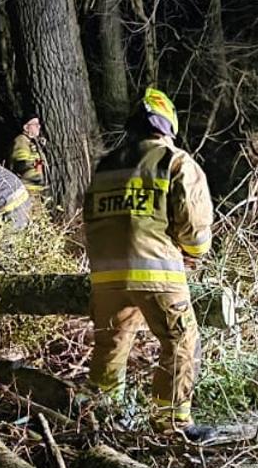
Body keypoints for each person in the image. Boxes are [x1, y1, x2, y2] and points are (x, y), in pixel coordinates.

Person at [84, 87, 214, 440]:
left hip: (106, 277)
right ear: (168, 125)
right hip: (158, 273)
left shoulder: (105, 165)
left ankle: (102, 421)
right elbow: (194, 227)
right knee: (181, 340)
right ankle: (172, 424)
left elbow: (90, 219)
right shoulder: (175, 162)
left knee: (110, 345)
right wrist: (194, 252)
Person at [8, 115, 47, 196]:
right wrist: (37, 179)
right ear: (26, 127)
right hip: (27, 189)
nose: (39, 126)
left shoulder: (30, 142)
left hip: (34, 189)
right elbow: (22, 164)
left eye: (39, 124)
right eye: (35, 124)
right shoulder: (21, 140)